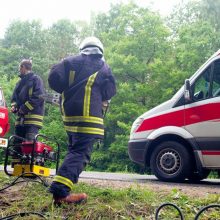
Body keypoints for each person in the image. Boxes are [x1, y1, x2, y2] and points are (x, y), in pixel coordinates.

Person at [48, 36, 116, 204]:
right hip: (89, 117)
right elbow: (109, 92)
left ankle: (65, 185)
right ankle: (61, 193)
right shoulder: (103, 66)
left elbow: (54, 81)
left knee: (74, 150)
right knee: (80, 153)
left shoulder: (69, 62)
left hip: (70, 116)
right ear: (99, 50)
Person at [11, 59, 45, 141]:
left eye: (20, 68)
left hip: (32, 120)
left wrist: (24, 108)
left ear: (23, 67)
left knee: (29, 147)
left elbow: (39, 97)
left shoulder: (36, 80)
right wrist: (14, 106)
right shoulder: (19, 83)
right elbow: (14, 97)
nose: (19, 70)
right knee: (16, 146)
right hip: (20, 121)